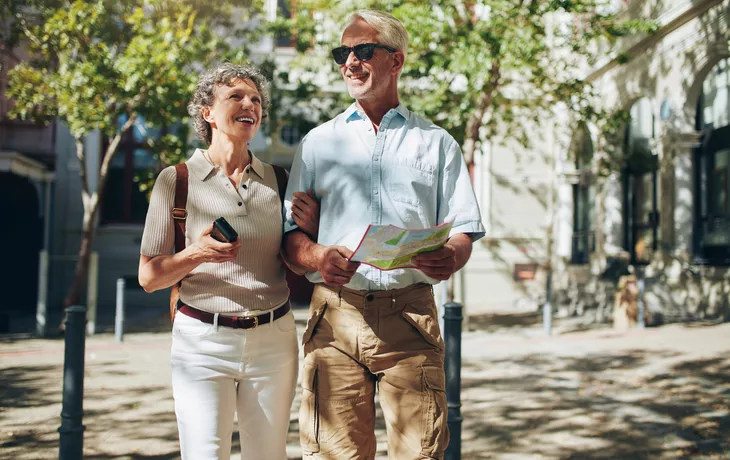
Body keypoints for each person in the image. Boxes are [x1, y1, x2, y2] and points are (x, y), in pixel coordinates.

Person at [283, 10, 485, 460]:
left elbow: (464, 230)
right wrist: (317, 256)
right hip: (335, 318)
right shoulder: (318, 143)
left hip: (411, 316)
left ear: (396, 61)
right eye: (342, 53)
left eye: (362, 51)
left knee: (421, 453)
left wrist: (451, 255)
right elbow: (290, 242)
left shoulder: (437, 143)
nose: (350, 63)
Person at [138, 62, 318, 460]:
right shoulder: (176, 180)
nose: (249, 104)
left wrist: (313, 232)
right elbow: (149, 278)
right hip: (201, 342)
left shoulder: (279, 180)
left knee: (268, 455)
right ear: (207, 112)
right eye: (235, 96)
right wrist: (197, 253)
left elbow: (300, 262)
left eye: (255, 99)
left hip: (274, 339)